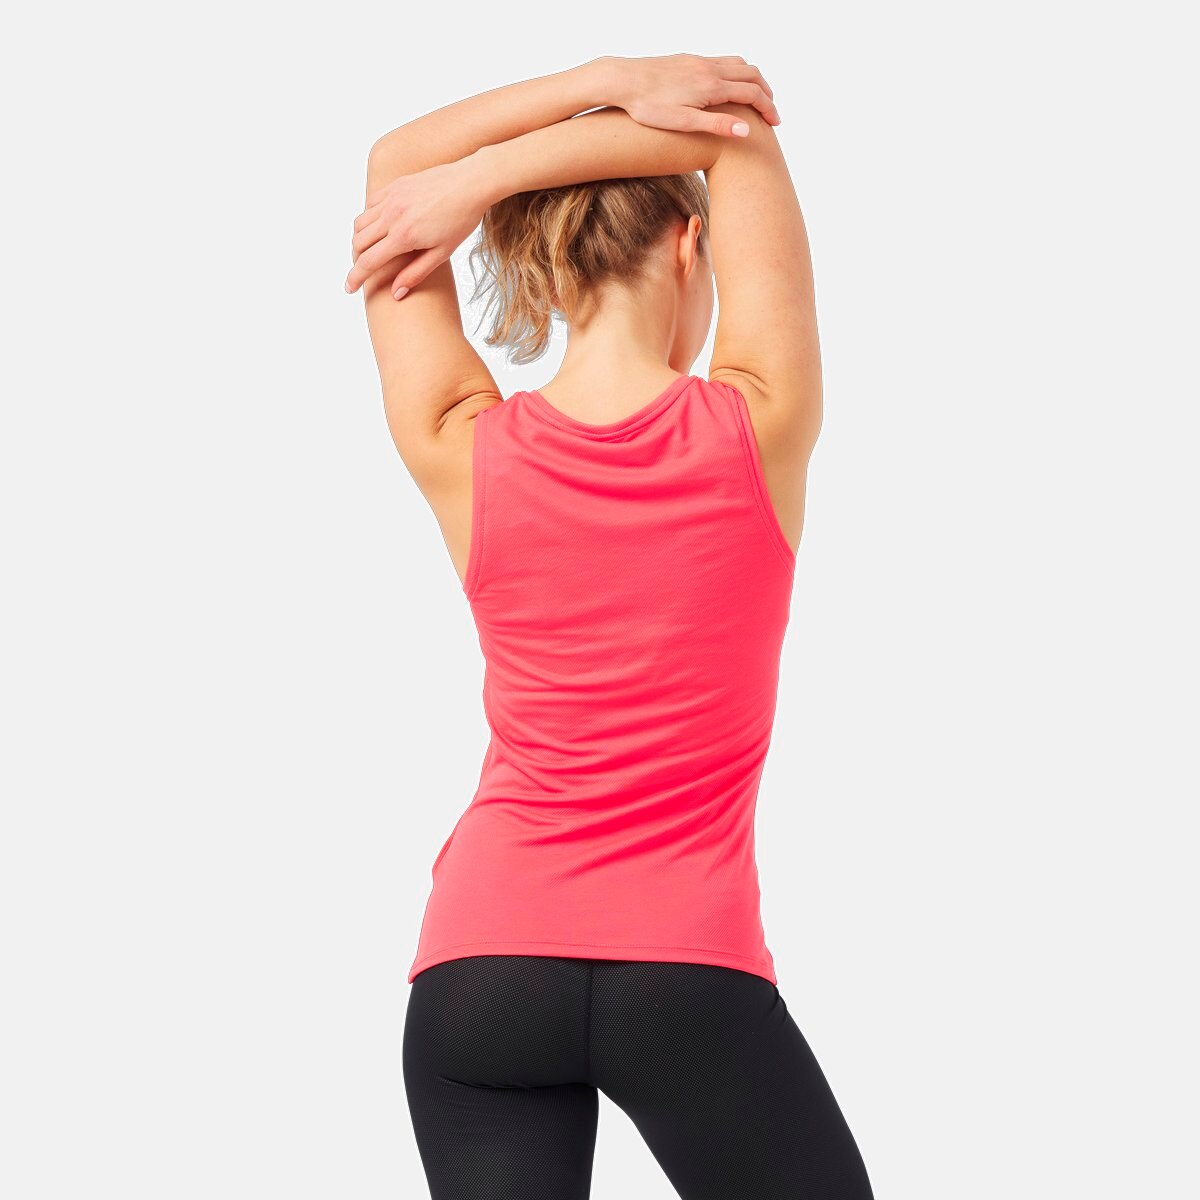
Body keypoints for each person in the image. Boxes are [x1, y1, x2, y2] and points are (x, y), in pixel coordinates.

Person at [346, 53, 874, 1200]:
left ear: (551, 270)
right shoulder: (759, 422)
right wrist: (495, 176)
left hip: (479, 967)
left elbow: (396, 172)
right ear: (690, 250)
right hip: (683, 972)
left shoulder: (461, 443)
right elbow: (737, 133)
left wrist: (571, 106)